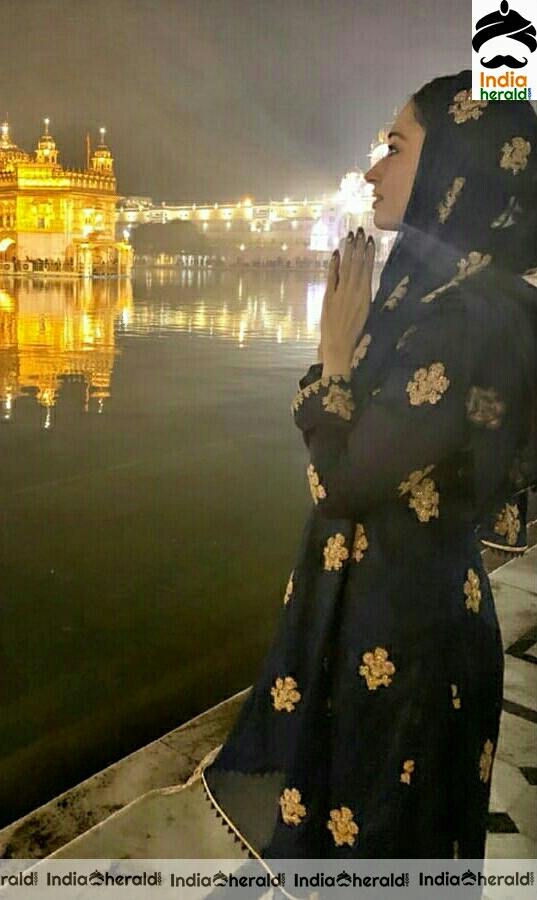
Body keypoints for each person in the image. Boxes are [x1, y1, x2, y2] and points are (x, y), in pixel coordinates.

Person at [198, 70, 537, 861]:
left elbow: (339, 483)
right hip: (397, 626)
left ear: (459, 165)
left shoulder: (462, 319)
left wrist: (330, 361)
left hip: (407, 650)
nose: (373, 171)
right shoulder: (438, 298)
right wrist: (338, 368)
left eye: (395, 147)